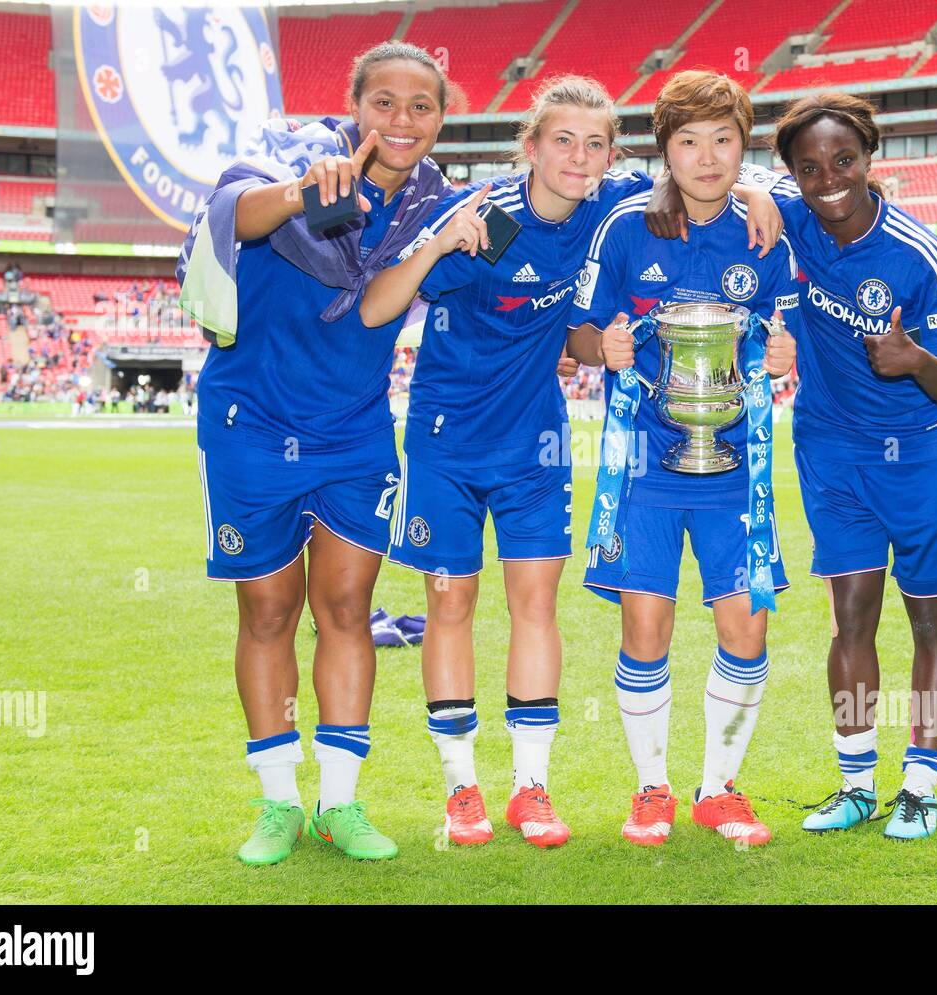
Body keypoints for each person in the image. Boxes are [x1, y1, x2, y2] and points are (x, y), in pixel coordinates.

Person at [362, 75, 788, 849]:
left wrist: (758, 187)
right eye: (562, 141)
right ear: (530, 145)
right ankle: (463, 789)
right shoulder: (482, 221)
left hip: (536, 442)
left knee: (536, 605)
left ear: (612, 155)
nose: (580, 157)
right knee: (450, 605)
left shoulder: (606, 206)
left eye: (595, 144)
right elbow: (377, 307)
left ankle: (531, 788)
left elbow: (699, 158)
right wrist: (434, 245)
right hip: (445, 439)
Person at [178, 42, 457, 866]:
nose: (402, 120)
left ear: (441, 119)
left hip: (354, 430)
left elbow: (374, 311)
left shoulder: (436, 205)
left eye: (421, 106)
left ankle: (339, 801)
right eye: (385, 102)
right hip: (251, 421)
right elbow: (233, 211)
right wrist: (305, 190)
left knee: (345, 608)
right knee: (266, 612)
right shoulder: (293, 157)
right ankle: (278, 803)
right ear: (354, 105)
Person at [742, 92, 937, 840]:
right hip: (831, 452)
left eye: (843, 160)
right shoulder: (791, 211)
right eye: (809, 168)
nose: (828, 180)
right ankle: (854, 783)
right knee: (850, 619)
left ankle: (921, 782)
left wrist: (914, 361)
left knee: (929, 618)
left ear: (869, 157)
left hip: (923, 455)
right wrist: (756, 189)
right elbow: (737, 179)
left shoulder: (919, 253)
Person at [566, 72, 798, 847]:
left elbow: (777, 329)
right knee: (646, 624)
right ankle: (651, 788)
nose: (707, 157)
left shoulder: (766, 230)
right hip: (644, 468)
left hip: (736, 469)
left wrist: (781, 351)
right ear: (666, 148)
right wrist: (606, 345)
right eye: (689, 141)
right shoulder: (625, 226)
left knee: (748, 622)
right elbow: (577, 336)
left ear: (745, 147)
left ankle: (718, 788)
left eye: (724, 140)